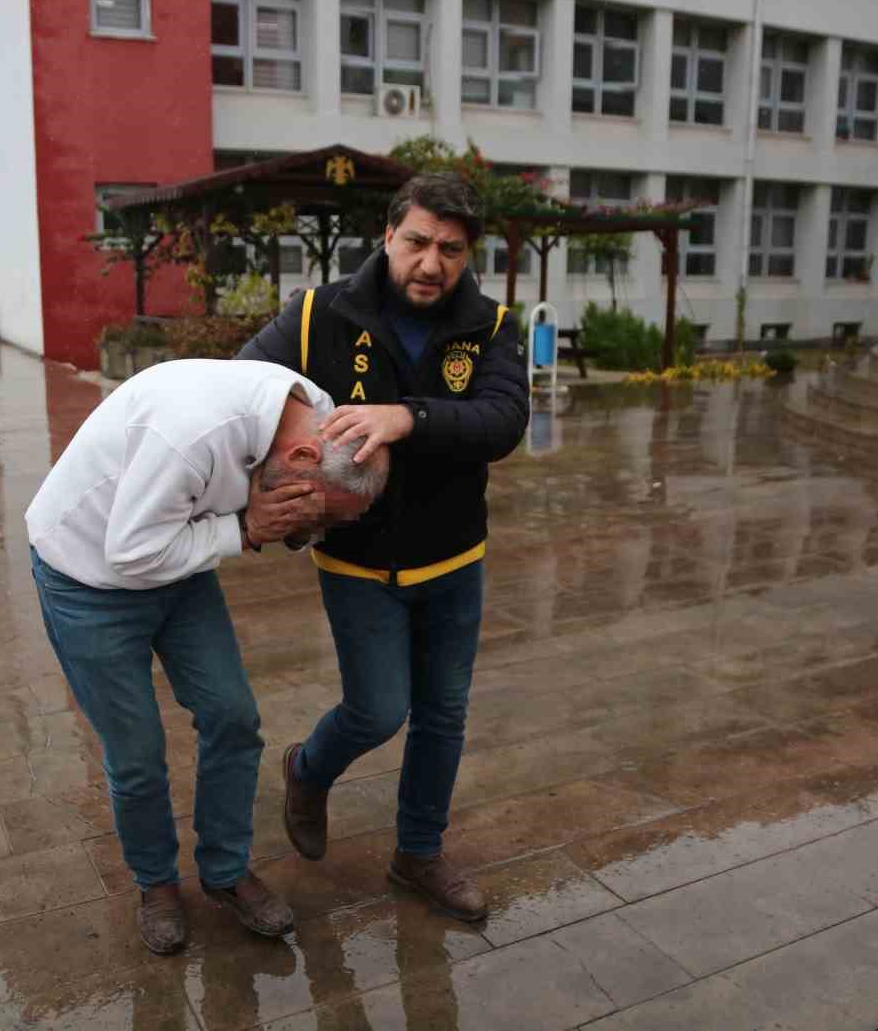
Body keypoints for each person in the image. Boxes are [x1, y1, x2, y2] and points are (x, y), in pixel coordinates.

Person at [237, 173, 530, 921]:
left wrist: (409, 418)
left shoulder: (491, 329)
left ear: (469, 255)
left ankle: (418, 854)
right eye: (418, 243)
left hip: (454, 559)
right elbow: (240, 390)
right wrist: (266, 488)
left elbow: (501, 422)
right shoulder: (314, 316)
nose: (432, 263)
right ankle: (307, 768)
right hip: (357, 562)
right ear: (390, 235)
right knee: (377, 710)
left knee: (444, 713)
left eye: (452, 250)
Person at [26, 358, 390, 955]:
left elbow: (206, 530)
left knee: (232, 717)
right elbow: (130, 554)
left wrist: (269, 520)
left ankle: (224, 870)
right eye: (313, 513)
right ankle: (157, 885)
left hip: (178, 556)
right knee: (138, 753)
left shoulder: (317, 415)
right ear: (302, 461)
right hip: (89, 576)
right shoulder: (189, 434)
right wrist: (245, 528)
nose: (308, 532)